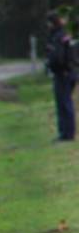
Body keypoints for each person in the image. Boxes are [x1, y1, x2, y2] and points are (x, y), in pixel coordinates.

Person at [45, 10, 75, 143]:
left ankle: (66, 134)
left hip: (62, 73)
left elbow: (58, 57)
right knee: (66, 102)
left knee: (63, 103)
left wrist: (51, 65)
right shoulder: (65, 34)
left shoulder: (57, 37)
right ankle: (67, 132)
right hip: (71, 72)